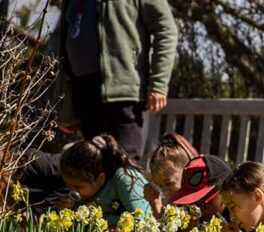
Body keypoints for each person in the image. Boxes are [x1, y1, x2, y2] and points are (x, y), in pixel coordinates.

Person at [59, 0, 178, 162]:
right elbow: (61, 43)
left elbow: (166, 29)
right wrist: (65, 107)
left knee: (125, 165)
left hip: (125, 95)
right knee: (93, 167)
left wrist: (158, 84)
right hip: (84, 93)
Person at [58, 134, 151, 225]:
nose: (72, 192)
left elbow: (142, 222)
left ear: (100, 179)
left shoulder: (125, 180)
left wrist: (104, 218)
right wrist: (68, 212)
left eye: (77, 187)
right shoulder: (83, 191)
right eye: (68, 185)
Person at [169, 154, 232, 232]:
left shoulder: (241, 220)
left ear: (222, 190)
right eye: (190, 203)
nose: (197, 209)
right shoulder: (200, 221)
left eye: (201, 202)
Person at [143, 133, 198, 217]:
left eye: (168, 183)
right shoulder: (174, 203)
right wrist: (156, 208)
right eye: (160, 186)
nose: (165, 193)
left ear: (188, 171)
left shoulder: (202, 204)